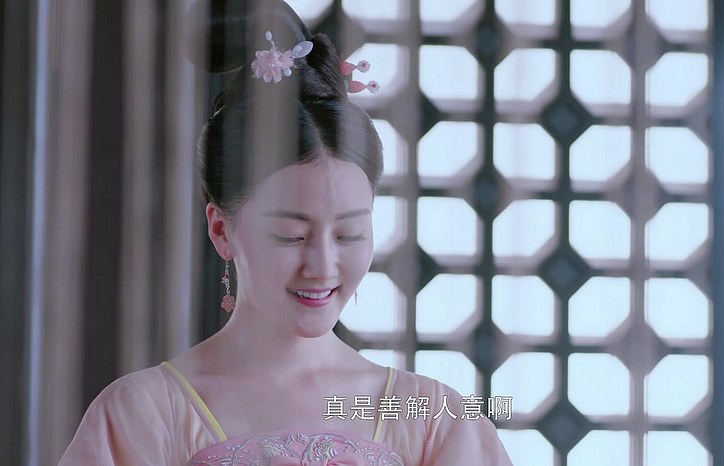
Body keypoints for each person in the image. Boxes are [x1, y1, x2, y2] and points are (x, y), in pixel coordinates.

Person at [57, 1, 513, 464]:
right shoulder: (144, 413)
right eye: (292, 236)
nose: (322, 266)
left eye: (349, 234)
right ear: (221, 229)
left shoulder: (437, 420)